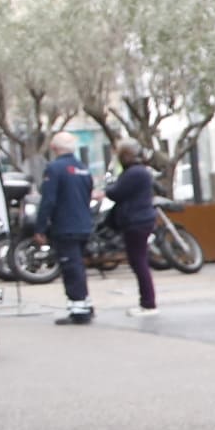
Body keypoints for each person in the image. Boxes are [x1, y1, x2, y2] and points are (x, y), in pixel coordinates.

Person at [39, 133, 96, 325]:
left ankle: (79, 309)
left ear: (54, 148)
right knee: (78, 266)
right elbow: (88, 194)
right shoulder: (83, 168)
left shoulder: (54, 169)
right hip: (83, 224)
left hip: (65, 226)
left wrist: (40, 228)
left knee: (71, 268)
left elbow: (48, 200)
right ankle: (85, 304)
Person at [107, 140, 160, 315]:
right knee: (139, 260)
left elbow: (116, 192)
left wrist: (108, 188)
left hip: (135, 220)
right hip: (140, 219)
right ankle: (147, 301)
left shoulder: (134, 173)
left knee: (138, 261)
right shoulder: (140, 172)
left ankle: (148, 303)